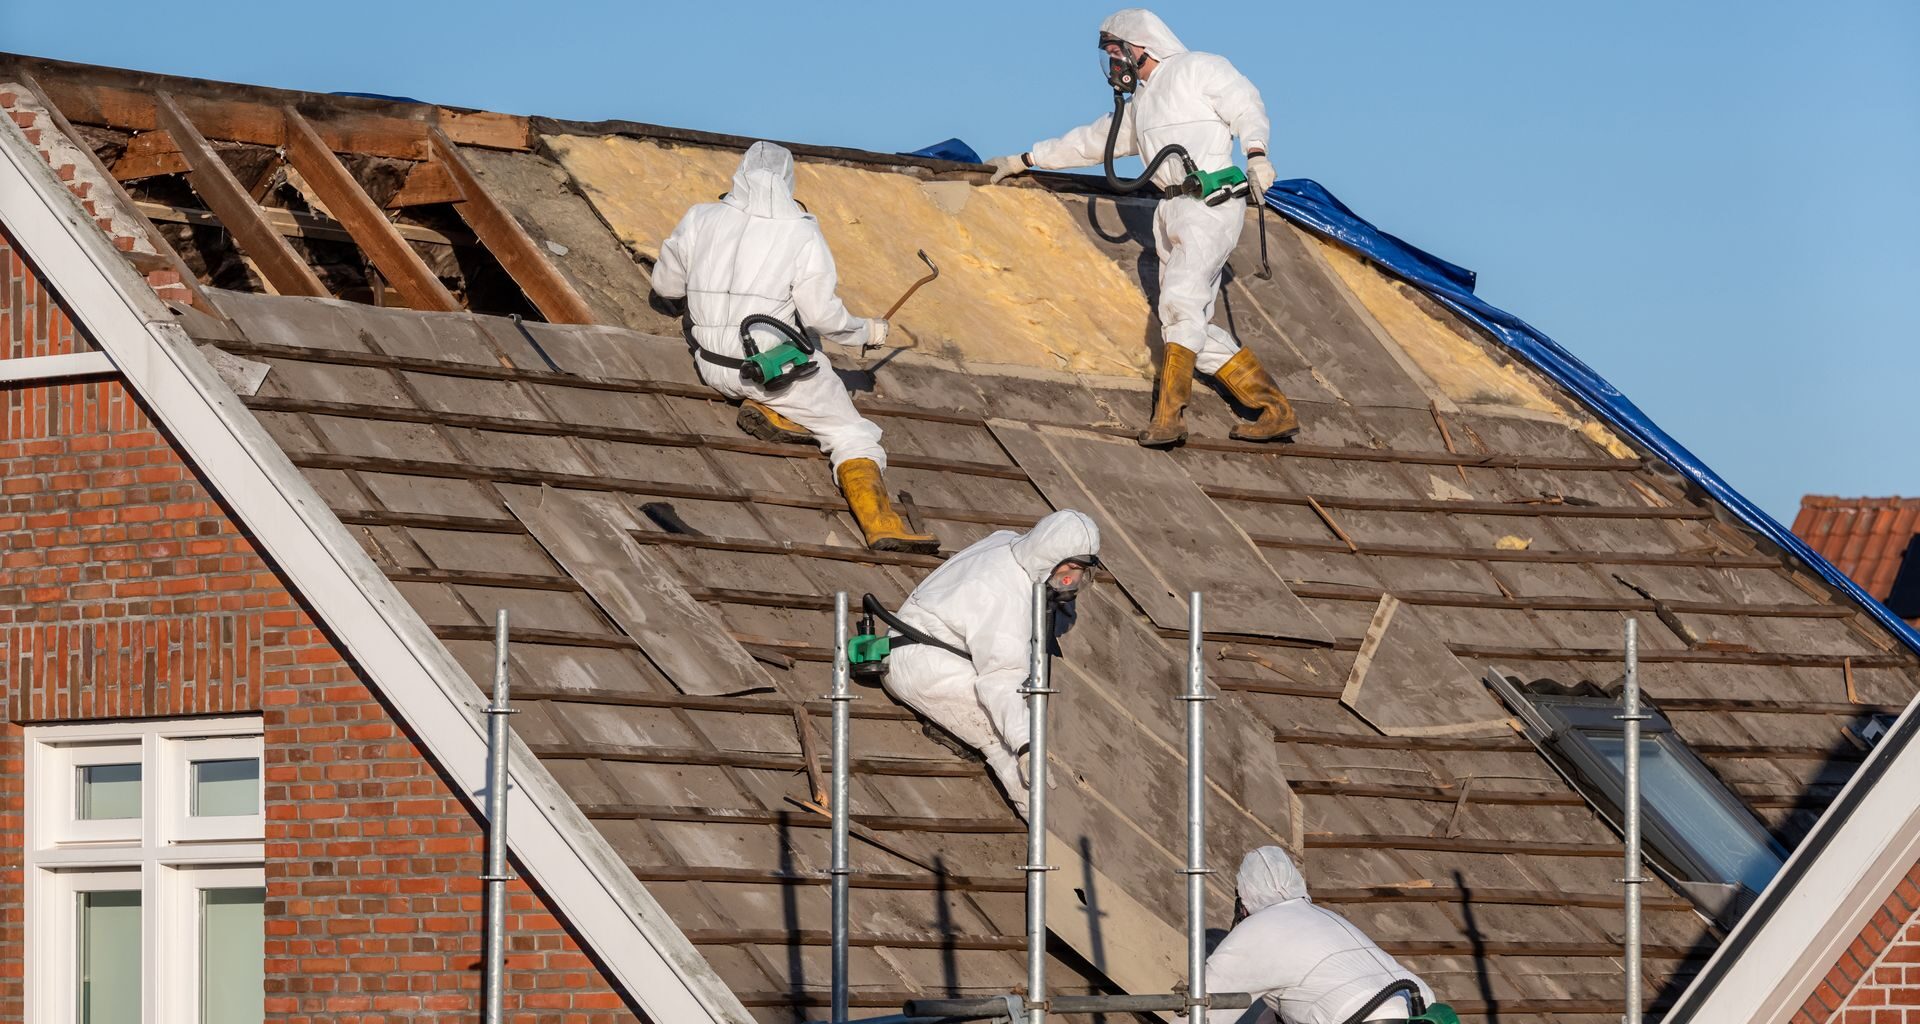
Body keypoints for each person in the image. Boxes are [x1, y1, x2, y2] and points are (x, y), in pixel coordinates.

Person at [986, 9, 1299, 448]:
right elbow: (1093, 141)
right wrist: (1026, 159)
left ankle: (1170, 417)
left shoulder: (1198, 68)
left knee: (1179, 302)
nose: (1115, 64)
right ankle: (1274, 408)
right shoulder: (1141, 105)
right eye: (1110, 55)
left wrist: (1256, 154)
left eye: (1118, 52)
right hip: (1169, 208)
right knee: (1185, 322)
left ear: (1142, 47)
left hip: (1211, 202)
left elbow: (1246, 104)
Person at [650, 141, 937, 553]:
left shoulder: (701, 217)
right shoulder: (801, 231)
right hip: (772, 374)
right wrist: (867, 331)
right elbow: (822, 316)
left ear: (740, 174)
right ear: (788, 181)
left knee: (795, 348)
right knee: (852, 433)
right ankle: (883, 525)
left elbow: (665, 287)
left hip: (712, 366)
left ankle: (773, 413)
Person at [882, 510, 1101, 817]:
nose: (1072, 578)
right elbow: (1001, 678)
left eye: (1081, 570)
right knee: (1005, 742)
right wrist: (1026, 746)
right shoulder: (1005, 595)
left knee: (1015, 712)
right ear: (1048, 554)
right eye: (1070, 566)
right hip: (924, 667)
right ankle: (1046, 827)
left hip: (923, 645)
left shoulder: (1007, 543)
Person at [1205, 847, 1436, 1024]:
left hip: (1360, 1015)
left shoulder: (1254, 931)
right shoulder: (1323, 917)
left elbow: (1203, 1008)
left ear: (1243, 899)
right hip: (1421, 1007)